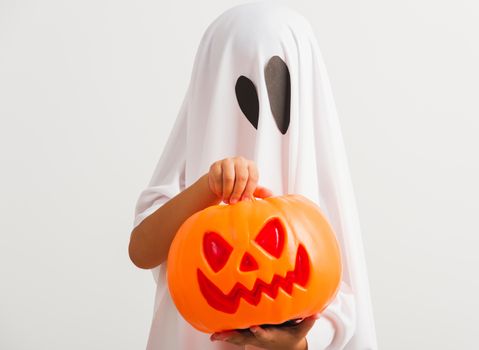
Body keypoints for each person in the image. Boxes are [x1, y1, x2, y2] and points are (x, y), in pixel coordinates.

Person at [129, 2, 378, 349]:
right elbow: (142, 249)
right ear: (211, 87)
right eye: (240, 85)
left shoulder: (319, 179)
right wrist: (206, 188)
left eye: (278, 85)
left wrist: (296, 344)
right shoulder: (189, 165)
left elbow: (347, 300)